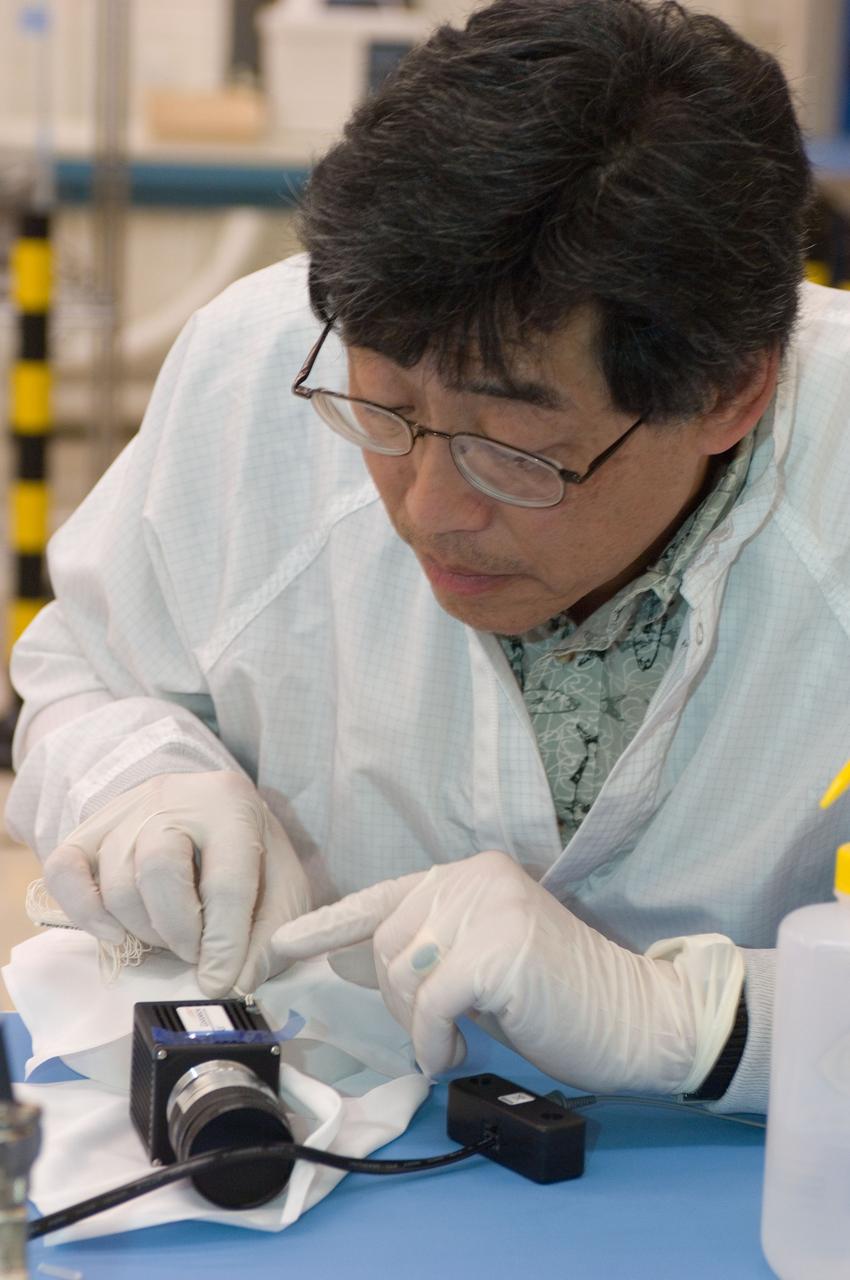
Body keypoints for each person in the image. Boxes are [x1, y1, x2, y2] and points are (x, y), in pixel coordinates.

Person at [7, 0, 849, 1114]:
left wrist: (691, 1020)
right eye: (381, 408)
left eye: (515, 452)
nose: (431, 510)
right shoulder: (254, 361)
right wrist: (143, 779)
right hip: (319, 1139)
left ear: (731, 392)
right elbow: (81, 675)